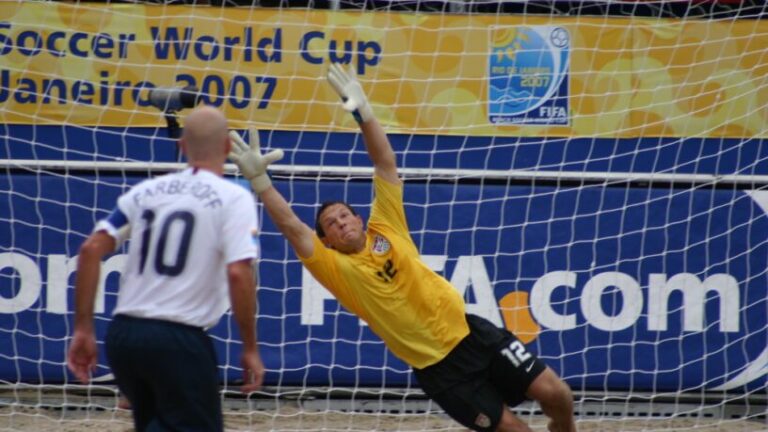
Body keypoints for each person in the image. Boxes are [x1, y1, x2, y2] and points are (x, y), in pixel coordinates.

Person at [228, 64, 577, 432]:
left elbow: (385, 162)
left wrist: (364, 114)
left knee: (558, 394)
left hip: (475, 335)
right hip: (441, 372)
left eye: (345, 215)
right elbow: (293, 227)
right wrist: (261, 181)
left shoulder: (386, 225)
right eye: (331, 224)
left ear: (359, 218)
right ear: (327, 241)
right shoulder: (335, 268)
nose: (341, 223)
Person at [67, 106, 270, 432]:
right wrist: (250, 348)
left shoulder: (146, 191)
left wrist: (82, 329)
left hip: (124, 335)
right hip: (179, 339)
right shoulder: (234, 197)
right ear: (227, 147)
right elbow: (238, 273)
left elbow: (90, 250)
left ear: (182, 146)